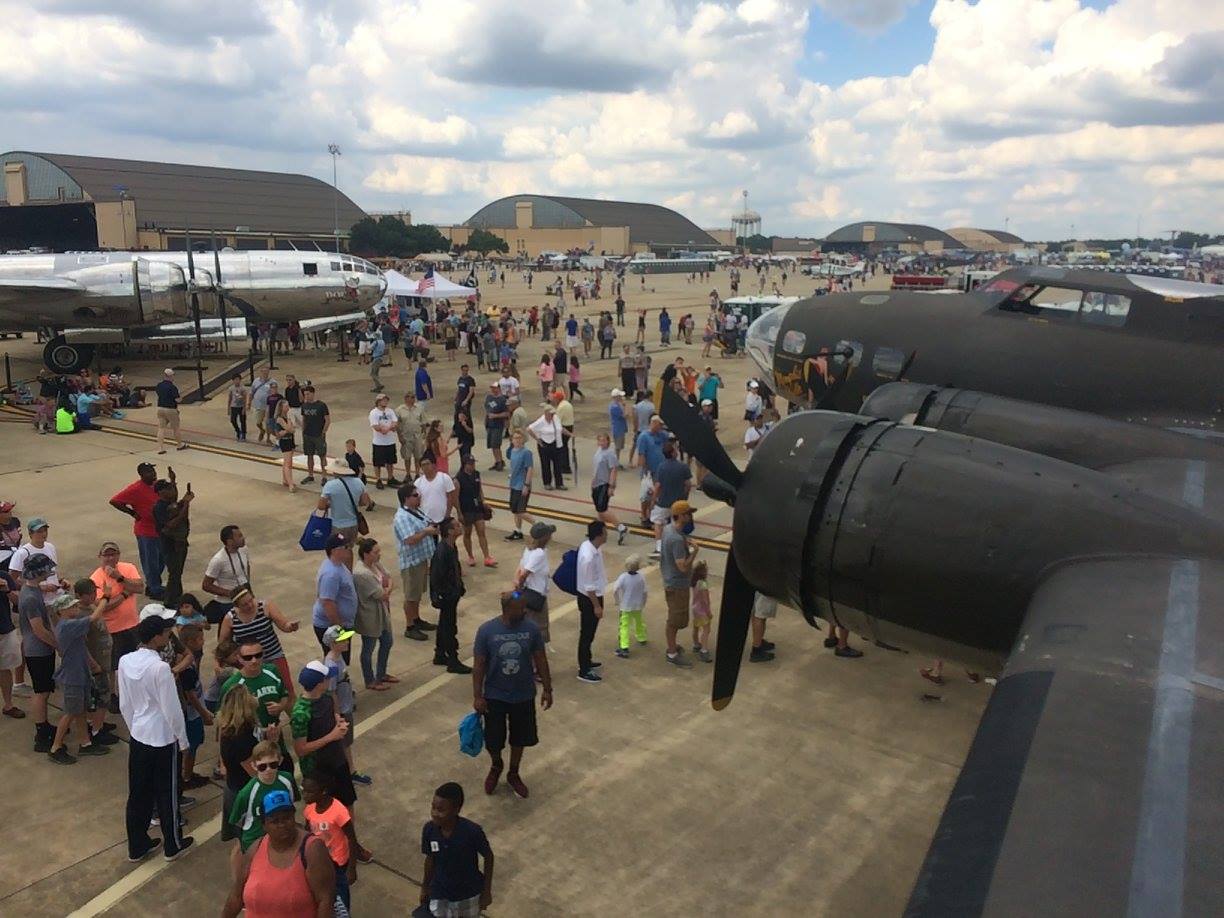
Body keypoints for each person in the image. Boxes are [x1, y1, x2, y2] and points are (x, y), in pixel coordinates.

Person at [119, 613, 194, 862]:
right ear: (156, 638)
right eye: (164, 632)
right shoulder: (160, 668)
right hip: (162, 737)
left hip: (139, 734)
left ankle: (137, 844)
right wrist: (183, 741)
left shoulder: (126, 661)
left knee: (138, 792)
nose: (167, 635)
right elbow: (171, 709)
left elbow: (125, 704)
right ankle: (173, 843)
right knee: (167, 791)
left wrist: (134, 727)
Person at [472, 592, 551, 799]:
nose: (524, 611)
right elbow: (479, 664)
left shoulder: (531, 629)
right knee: (493, 738)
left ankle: (513, 772)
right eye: (520, 608)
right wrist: (477, 696)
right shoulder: (486, 631)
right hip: (495, 696)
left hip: (523, 695)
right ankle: (496, 764)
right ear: (507, 609)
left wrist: (548, 689)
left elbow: (541, 659)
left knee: (520, 737)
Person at [222, 788, 335, 918]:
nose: (282, 825)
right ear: (264, 825)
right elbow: (236, 896)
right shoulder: (255, 849)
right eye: (274, 821)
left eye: (286, 818)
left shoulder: (312, 850)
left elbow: (325, 901)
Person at [46, 591, 112, 764]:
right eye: (71, 606)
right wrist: (105, 598)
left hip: (79, 674)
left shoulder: (69, 625)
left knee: (80, 711)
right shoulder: (67, 626)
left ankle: (85, 742)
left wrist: (92, 665)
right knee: (70, 712)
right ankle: (56, 747)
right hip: (72, 677)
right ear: (61, 611)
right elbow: (94, 617)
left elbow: (81, 647)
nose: (75, 607)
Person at [420, 782, 495, 917]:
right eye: (433, 808)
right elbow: (430, 858)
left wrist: (486, 891)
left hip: (467, 894)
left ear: (456, 810)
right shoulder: (429, 830)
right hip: (440, 892)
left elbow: (489, 857)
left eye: (441, 810)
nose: (435, 813)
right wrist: (425, 887)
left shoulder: (472, 832)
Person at [89, 541, 144, 706]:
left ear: (118, 555)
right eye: (106, 555)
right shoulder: (96, 578)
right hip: (111, 628)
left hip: (132, 624)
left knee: (135, 662)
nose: (110, 558)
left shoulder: (128, 568)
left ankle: (134, 692)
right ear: (100, 557)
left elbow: (140, 587)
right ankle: (113, 695)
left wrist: (118, 578)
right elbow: (102, 606)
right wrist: (125, 594)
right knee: (112, 666)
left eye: (113, 554)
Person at [219, 586, 299, 697]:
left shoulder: (265, 606)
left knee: (286, 690)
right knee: (252, 693)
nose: (250, 605)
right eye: (245, 604)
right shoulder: (230, 618)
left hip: (273, 655)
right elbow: (222, 644)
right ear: (237, 606)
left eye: (251, 600)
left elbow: (283, 624)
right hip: (248, 661)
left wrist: (290, 626)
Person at [19, 554, 61, 752]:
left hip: (38, 650)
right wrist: (57, 645)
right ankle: (41, 733)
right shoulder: (30, 597)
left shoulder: (31, 589)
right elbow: (39, 630)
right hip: (38, 651)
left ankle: (44, 725)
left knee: (44, 690)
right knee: (41, 692)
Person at [303, 773, 359, 909]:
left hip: (338, 863)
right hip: (320, 861)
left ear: (323, 791)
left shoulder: (338, 811)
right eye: (303, 790)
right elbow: (308, 832)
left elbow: (352, 838)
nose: (304, 795)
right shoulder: (309, 809)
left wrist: (352, 868)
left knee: (341, 899)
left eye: (310, 792)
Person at [110, 462, 164, 599]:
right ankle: (154, 588)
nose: (153, 474)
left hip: (161, 530)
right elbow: (115, 501)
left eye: (153, 471)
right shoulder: (135, 489)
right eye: (149, 472)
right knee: (150, 562)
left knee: (161, 560)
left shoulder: (157, 485)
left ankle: (154, 584)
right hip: (146, 532)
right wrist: (132, 513)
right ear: (141, 474)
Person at [393, 483, 439, 641]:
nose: (419, 497)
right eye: (415, 495)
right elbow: (409, 540)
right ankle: (410, 626)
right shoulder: (402, 517)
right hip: (411, 562)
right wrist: (426, 532)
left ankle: (416, 618)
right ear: (406, 499)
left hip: (421, 559)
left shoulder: (415, 512)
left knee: (417, 593)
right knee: (411, 595)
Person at [217, 684, 262, 842]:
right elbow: (255, 772)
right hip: (244, 794)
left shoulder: (228, 727)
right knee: (247, 841)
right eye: (250, 694)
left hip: (234, 785)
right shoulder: (241, 737)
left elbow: (223, 762)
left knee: (241, 840)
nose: (254, 696)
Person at [353, 538, 396, 691]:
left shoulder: (374, 564)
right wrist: (388, 588)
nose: (379, 555)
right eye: (375, 552)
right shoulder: (361, 573)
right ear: (366, 554)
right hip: (370, 616)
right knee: (368, 648)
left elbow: (389, 577)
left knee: (387, 641)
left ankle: (381, 673)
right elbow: (381, 594)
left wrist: (387, 586)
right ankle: (370, 679)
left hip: (382, 612)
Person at [430, 518, 472, 674]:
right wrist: (448, 593)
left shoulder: (450, 546)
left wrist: (459, 585)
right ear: (449, 531)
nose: (460, 527)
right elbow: (437, 577)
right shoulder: (443, 551)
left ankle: (440, 654)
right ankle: (453, 660)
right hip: (447, 596)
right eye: (456, 526)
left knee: (444, 624)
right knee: (449, 627)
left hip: (451, 593)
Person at [660, 500, 697, 668]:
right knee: (675, 620)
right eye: (688, 513)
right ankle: (672, 652)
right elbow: (682, 567)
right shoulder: (675, 538)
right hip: (677, 584)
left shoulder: (668, 529)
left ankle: (672, 646)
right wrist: (694, 552)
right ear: (680, 515)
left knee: (677, 618)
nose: (690, 516)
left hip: (671, 580)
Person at [311, 533, 358, 659]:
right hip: (331, 626)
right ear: (335, 551)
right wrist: (340, 627)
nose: (349, 549)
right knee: (335, 660)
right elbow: (327, 603)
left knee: (341, 660)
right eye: (345, 547)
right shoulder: (331, 574)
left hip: (340, 624)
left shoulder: (338, 565)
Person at [576, 521, 608, 683]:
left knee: (589, 633)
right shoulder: (588, 556)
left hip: (593, 595)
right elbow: (589, 586)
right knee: (587, 634)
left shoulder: (592, 547)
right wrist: (597, 606)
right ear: (599, 534)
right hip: (590, 598)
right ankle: (584, 669)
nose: (607, 533)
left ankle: (587, 661)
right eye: (605, 531)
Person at [152, 477, 192, 607]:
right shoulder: (160, 507)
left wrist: (184, 500)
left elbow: (178, 504)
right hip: (170, 546)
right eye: (168, 489)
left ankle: (177, 598)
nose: (171, 490)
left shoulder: (172, 502)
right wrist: (186, 505)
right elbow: (172, 524)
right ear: (160, 492)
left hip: (180, 543)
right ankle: (170, 602)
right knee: (174, 575)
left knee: (177, 573)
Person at [513, 522, 554, 646]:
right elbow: (524, 574)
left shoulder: (529, 550)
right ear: (545, 537)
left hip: (529, 593)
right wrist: (519, 587)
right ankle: (534, 655)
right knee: (539, 627)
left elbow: (519, 569)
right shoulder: (539, 554)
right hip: (536, 595)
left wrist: (517, 588)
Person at [201, 524, 251, 624]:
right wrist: (230, 593)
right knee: (230, 631)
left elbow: (247, 566)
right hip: (228, 603)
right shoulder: (218, 560)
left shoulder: (244, 549)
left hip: (245, 597)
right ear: (229, 541)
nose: (243, 538)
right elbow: (206, 585)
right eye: (239, 536)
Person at [650, 441, 691, 558]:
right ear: (673, 453)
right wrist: (685, 497)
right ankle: (679, 546)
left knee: (658, 522)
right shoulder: (683, 467)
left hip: (663, 502)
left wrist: (653, 500)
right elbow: (688, 484)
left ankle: (659, 547)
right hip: (677, 502)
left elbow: (658, 486)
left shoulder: (661, 467)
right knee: (677, 525)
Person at [318, 460, 372, 543]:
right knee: (349, 548)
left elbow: (321, 506)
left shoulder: (330, 485)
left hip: (338, 526)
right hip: (354, 525)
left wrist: (331, 504)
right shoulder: (359, 482)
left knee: (338, 549)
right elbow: (364, 502)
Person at [591, 432, 629, 544]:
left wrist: (611, 486)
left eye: (604, 440)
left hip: (604, 483)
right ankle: (598, 530)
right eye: (600, 440)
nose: (602, 442)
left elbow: (613, 470)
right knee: (599, 509)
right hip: (596, 483)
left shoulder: (610, 454)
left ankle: (621, 527)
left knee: (603, 509)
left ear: (608, 441)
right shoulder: (599, 451)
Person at [611, 554, 648, 659]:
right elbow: (645, 592)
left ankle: (624, 647)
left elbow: (615, 589)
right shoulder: (641, 577)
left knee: (624, 626)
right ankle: (642, 637)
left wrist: (617, 600)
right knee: (639, 621)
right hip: (638, 605)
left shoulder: (623, 577)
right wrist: (643, 603)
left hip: (626, 605)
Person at [527, 403, 565, 491]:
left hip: (555, 443)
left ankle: (559, 483)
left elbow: (561, 428)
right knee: (545, 464)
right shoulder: (541, 421)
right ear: (546, 413)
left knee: (557, 464)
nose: (552, 415)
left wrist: (570, 434)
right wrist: (538, 439)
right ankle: (547, 483)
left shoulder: (556, 418)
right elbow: (529, 429)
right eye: (550, 414)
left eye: (553, 414)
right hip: (545, 444)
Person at [504, 432, 534, 541]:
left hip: (522, 485)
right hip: (514, 484)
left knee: (520, 510)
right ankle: (518, 531)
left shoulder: (526, 453)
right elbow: (514, 467)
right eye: (515, 438)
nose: (517, 440)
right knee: (514, 510)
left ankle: (538, 526)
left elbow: (529, 469)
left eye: (519, 438)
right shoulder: (512, 451)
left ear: (523, 439)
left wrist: (526, 485)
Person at [299, 386, 331, 485]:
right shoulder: (304, 406)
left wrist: (323, 432)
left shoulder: (321, 405)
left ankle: (324, 476)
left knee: (322, 455)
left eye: (308, 394)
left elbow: (327, 420)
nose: (306, 396)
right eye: (305, 394)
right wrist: (303, 431)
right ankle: (310, 475)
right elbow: (304, 419)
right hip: (308, 434)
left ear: (313, 393)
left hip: (318, 434)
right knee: (309, 455)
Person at [369, 393, 400, 490]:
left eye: (386, 400)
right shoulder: (374, 413)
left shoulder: (390, 411)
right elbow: (375, 426)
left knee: (390, 461)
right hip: (379, 442)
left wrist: (388, 428)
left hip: (390, 441)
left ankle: (390, 477)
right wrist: (385, 429)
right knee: (378, 462)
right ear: (378, 401)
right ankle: (378, 479)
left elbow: (395, 422)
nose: (385, 402)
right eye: (383, 400)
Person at [415, 455, 457, 525]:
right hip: (426, 521)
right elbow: (416, 502)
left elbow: (450, 498)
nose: (425, 467)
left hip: (443, 518)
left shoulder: (444, 478)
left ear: (433, 465)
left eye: (427, 464)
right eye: (423, 465)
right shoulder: (417, 483)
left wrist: (447, 515)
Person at [154, 368, 188, 454]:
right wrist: (181, 398)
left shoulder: (159, 385)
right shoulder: (172, 387)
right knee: (176, 428)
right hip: (171, 409)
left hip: (161, 408)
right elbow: (177, 400)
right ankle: (179, 445)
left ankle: (160, 448)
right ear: (170, 376)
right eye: (173, 375)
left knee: (161, 428)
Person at [396, 392, 427, 481]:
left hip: (417, 436)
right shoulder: (399, 410)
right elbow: (397, 425)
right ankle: (408, 473)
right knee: (407, 456)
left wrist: (425, 433)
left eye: (413, 397)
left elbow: (423, 422)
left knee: (418, 456)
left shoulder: (419, 409)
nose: (412, 399)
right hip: (406, 436)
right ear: (405, 399)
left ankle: (417, 473)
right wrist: (400, 436)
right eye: (410, 397)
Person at [269, 398, 298, 492]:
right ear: (281, 407)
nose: (288, 407)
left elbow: (292, 430)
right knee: (288, 463)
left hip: (290, 439)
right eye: (286, 406)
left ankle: (285, 480)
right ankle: (290, 483)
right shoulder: (280, 419)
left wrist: (287, 430)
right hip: (285, 441)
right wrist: (288, 427)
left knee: (287, 462)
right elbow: (289, 429)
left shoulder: (287, 417)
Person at [482, 381, 508, 471]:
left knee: (496, 444)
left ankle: (500, 461)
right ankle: (497, 461)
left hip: (498, 425)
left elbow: (506, 413)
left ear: (499, 388)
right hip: (490, 424)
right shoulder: (489, 398)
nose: (493, 389)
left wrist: (496, 416)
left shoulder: (503, 400)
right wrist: (486, 421)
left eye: (495, 388)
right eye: (492, 388)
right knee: (492, 445)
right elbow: (487, 409)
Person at [690, 561, 713, 663]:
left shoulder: (695, 583)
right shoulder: (703, 584)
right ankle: (704, 650)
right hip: (703, 610)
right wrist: (709, 612)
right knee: (706, 630)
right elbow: (705, 600)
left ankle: (696, 644)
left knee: (696, 627)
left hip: (695, 609)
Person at [248, 367, 277, 446]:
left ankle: (268, 438)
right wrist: (249, 403)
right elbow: (251, 392)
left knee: (268, 423)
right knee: (258, 422)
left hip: (268, 406)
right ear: (261, 372)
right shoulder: (256, 381)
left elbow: (275, 393)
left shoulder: (272, 382)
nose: (265, 373)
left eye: (266, 371)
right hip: (258, 405)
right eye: (263, 371)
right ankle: (261, 430)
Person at [749, 592, 777, 663]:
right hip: (764, 586)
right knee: (760, 614)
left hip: (759, 584)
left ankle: (758, 641)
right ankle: (756, 649)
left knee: (758, 611)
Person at [226, 375, 250, 441]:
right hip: (234, 406)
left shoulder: (243, 388)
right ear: (233, 381)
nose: (237, 381)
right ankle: (238, 431)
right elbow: (230, 398)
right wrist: (228, 408)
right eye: (235, 380)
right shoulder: (231, 388)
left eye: (238, 379)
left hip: (241, 406)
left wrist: (244, 408)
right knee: (233, 420)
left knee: (242, 421)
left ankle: (244, 434)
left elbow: (245, 398)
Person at [608, 389, 629, 467]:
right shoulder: (615, 407)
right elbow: (625, 415)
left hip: (618, 428)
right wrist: (625, 406)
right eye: (620, 396)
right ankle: (615, 462)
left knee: (618, 447)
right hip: (618, 428)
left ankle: (616, 461)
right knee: (618, 447)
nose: (621, 398)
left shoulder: (614, 405)